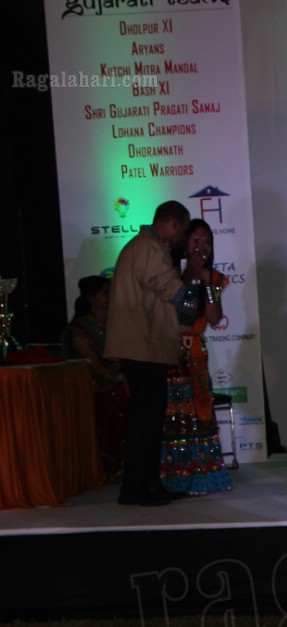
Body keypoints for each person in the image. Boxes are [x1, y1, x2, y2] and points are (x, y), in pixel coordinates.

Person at [105, 200, 189, 507]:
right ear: (174, 224)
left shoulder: (142, 246)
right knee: (146, 421)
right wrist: (191, 279)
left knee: (147, 420)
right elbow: (171, 289)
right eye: (183, 230)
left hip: (142, 345)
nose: (182, 238)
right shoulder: (150, 248)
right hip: (143, 346)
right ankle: (138, 489)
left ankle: (147, 485)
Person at [160, 219, 233, 496]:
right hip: (166, 351)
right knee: (169, 413)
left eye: (207, 242)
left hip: (194, 355)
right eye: (197, 240)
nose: (202, 246)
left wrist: (207, 286)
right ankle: (170, 475)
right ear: (184, 242)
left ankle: (202, 473)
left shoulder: (211, 278)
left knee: (197, 410)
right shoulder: (168, 273)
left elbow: (214, 318)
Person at [62, 275, 128, 482]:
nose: (111, 298)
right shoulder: (79, 329)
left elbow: (124, 354)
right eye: (105, 294)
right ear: (91, 298)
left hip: (116, 379)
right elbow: (93, 365)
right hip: (91, 384)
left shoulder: (115, 322)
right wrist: (114, 376)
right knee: (117, 397)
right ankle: (109, 464)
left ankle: (130, 461)